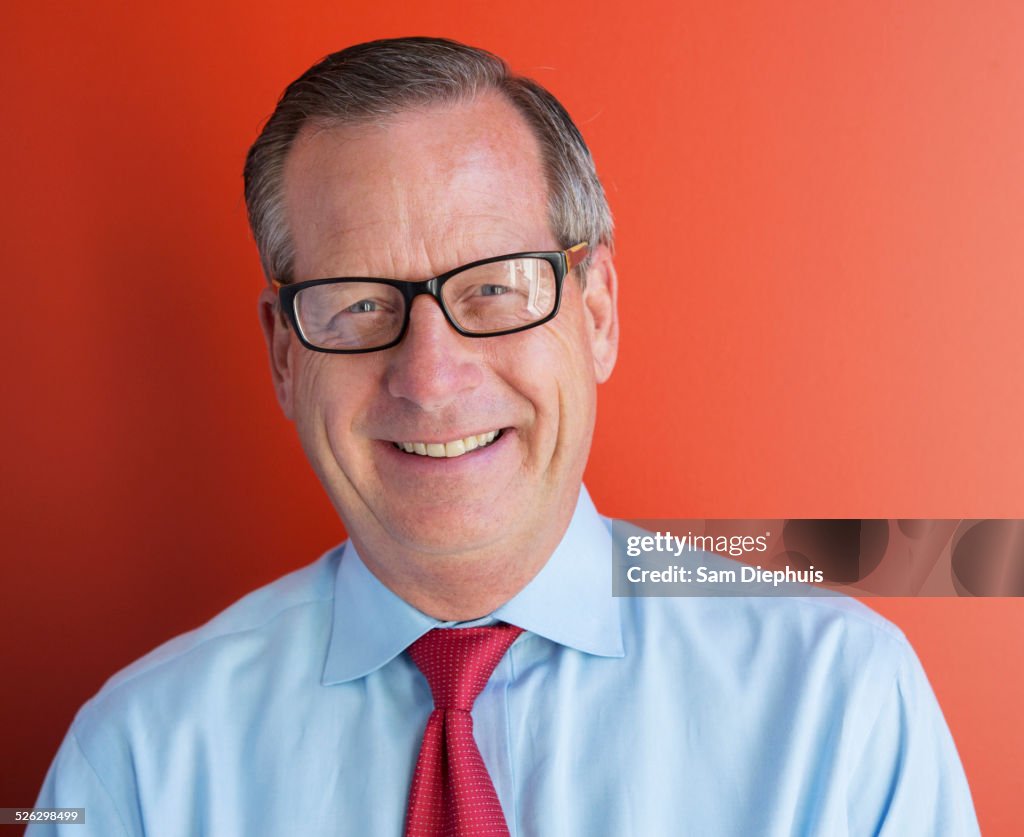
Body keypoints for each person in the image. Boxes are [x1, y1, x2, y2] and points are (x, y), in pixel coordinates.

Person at [32, 37, 979, 836]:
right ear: (285, 356)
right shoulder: (135, 767)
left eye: (494, 285)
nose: (432, 375)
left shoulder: (840, 709)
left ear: (597, 310)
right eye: (359, 304)